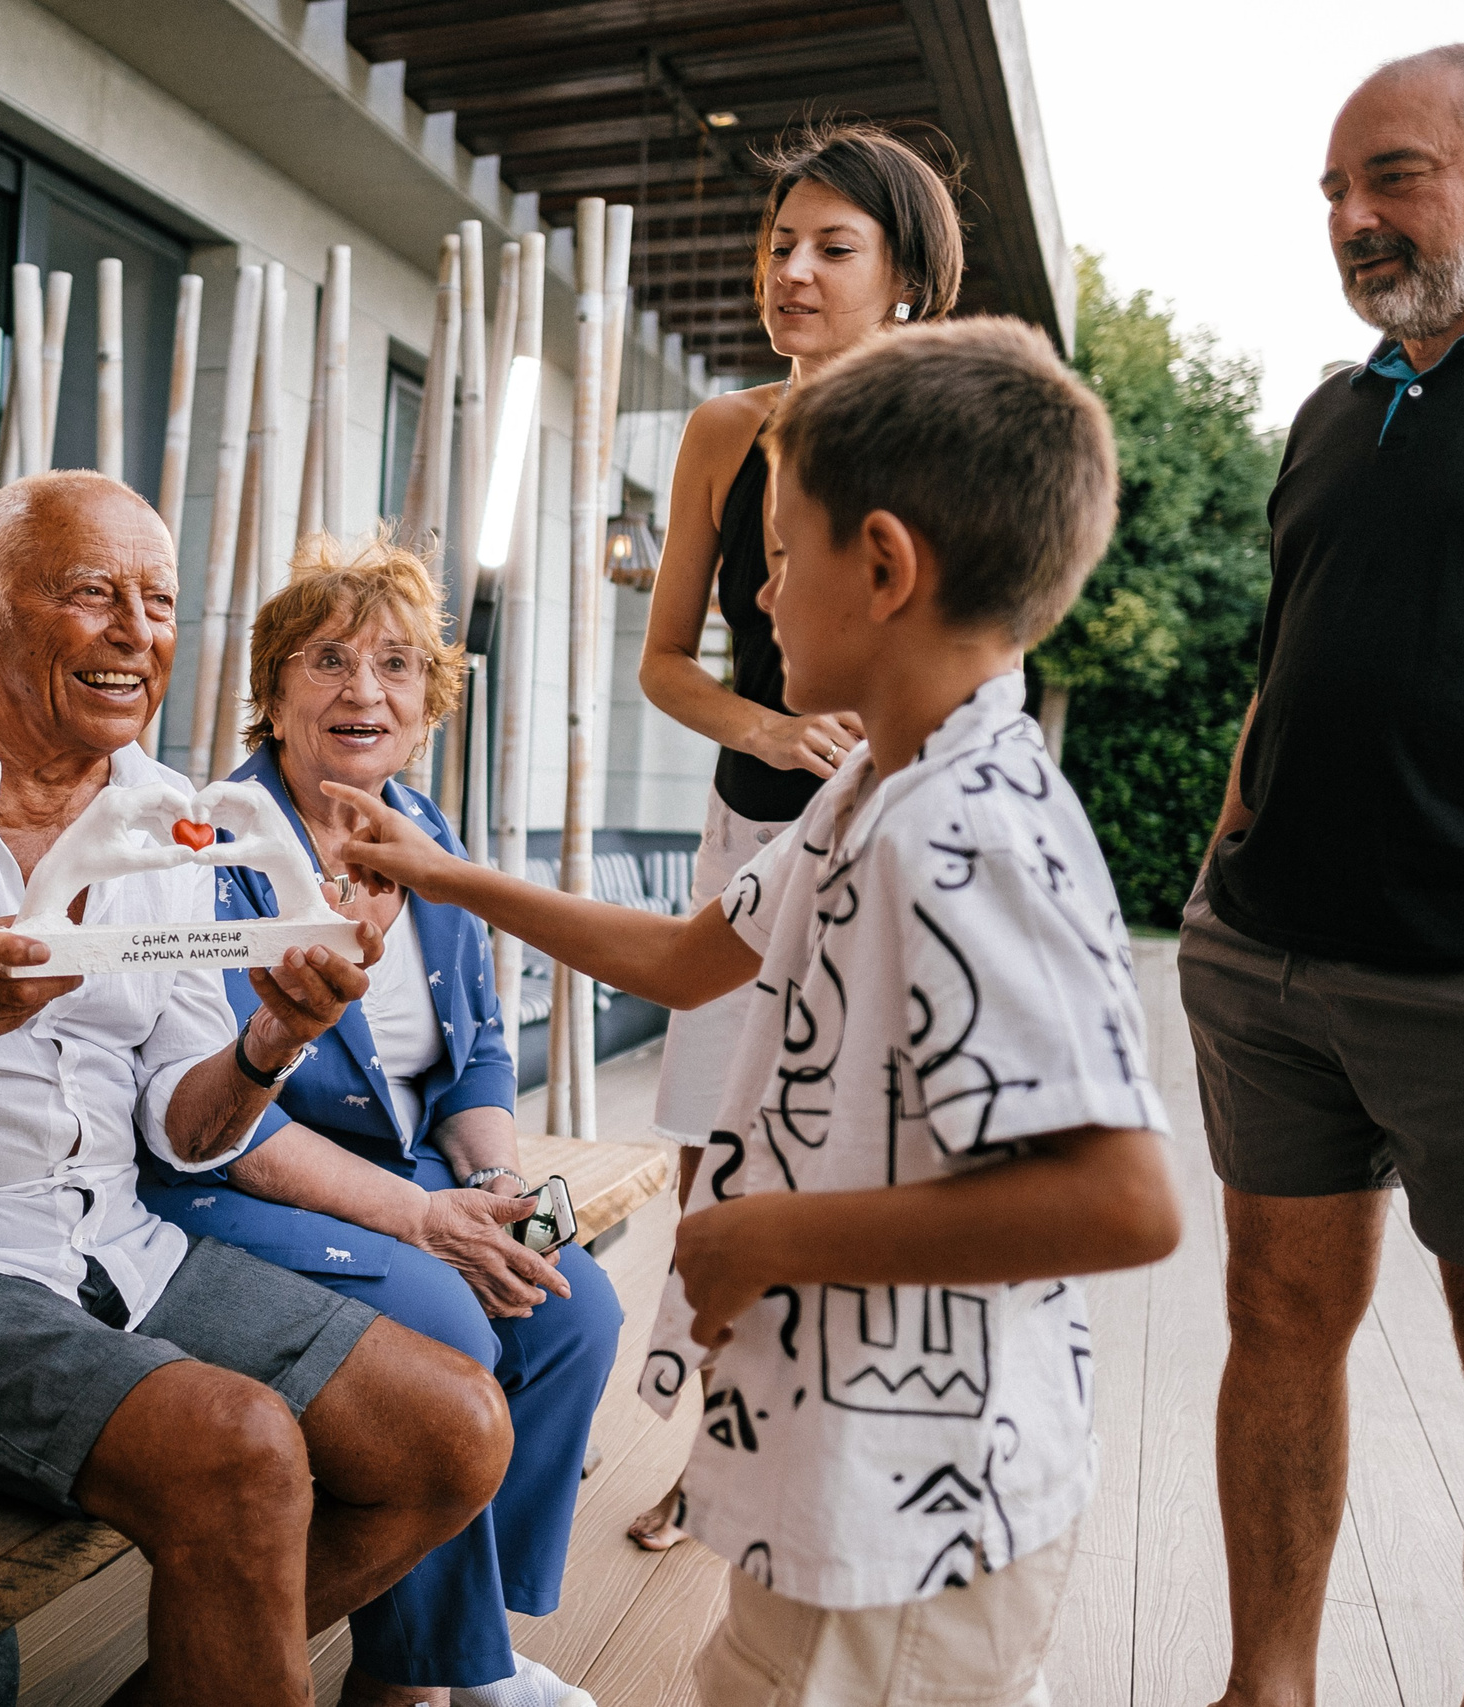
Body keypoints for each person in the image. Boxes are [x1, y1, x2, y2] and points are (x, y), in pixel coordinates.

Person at [331, 320, 1183, 1705]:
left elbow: (1123, 1199)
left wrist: (765, 1235)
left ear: (887, 566)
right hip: (831, 1457)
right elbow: (680, 958)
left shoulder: (974, 832)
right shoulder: (867, 791)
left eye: (779, 559)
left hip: (921, 1504)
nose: (755, 602)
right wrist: (439, 870)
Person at [0, 470, 513, 1707]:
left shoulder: (173, 823)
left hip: (109, 1255)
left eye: (160, 602)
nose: (135, 632)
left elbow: (185, 1134)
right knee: (241, 1452)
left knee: (452, 1432)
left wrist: (269, 1043)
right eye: (90, 594)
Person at [1183, 45, 1464, 1707]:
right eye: (1335, 191)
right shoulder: (1337, 410)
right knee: (1278, 1316)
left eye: (1394, 176)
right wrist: (1221, 872)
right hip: (1269, 963)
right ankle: (1264, 1686)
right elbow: (1282, 675)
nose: (1352, 218)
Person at [139, 535, 620, 1707]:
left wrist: (495, 1182)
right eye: (328, 659)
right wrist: (427, 1219)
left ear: (429, 702)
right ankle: (427, 1684)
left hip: (410, 1172)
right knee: (448, 1319)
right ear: (272, 691)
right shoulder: (210, 844)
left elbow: (481, 1053)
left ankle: (470, 1652)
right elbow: (224, 1120)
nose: (365, 691)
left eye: (399, 665)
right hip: (232, 1186)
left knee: (577, 1307)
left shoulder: (427, 833)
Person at [627, 121, 964, 1551]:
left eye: (834, 246)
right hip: (754, 817)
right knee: (720, 1143)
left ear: (907, 278)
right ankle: (714, 1454)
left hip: (899, 831)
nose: (794, 270)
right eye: (781, 244)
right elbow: (667, 664)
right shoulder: (724, 431)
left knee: (868, 1154)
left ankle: (844, 1452)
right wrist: (763, 729)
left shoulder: (958, 426)